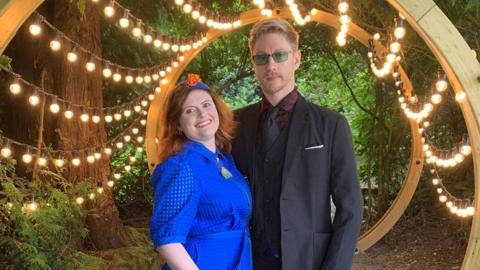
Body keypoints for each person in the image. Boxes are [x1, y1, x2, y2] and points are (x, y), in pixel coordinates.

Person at [232, 18, 363, 270]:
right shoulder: (234, 124)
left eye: (279, 55)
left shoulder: (331, 125)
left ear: (297, 59)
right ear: (254, 64)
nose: (270, 65)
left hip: (309, 261)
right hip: (246, 261)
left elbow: (351, 209)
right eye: (261, 58)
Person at [150, 74, 252, 270]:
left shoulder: (224, 160)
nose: (202, 114)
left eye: (206, 105)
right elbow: (167, 240)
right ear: (178, 124)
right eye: (189, 110)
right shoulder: (182, 166)